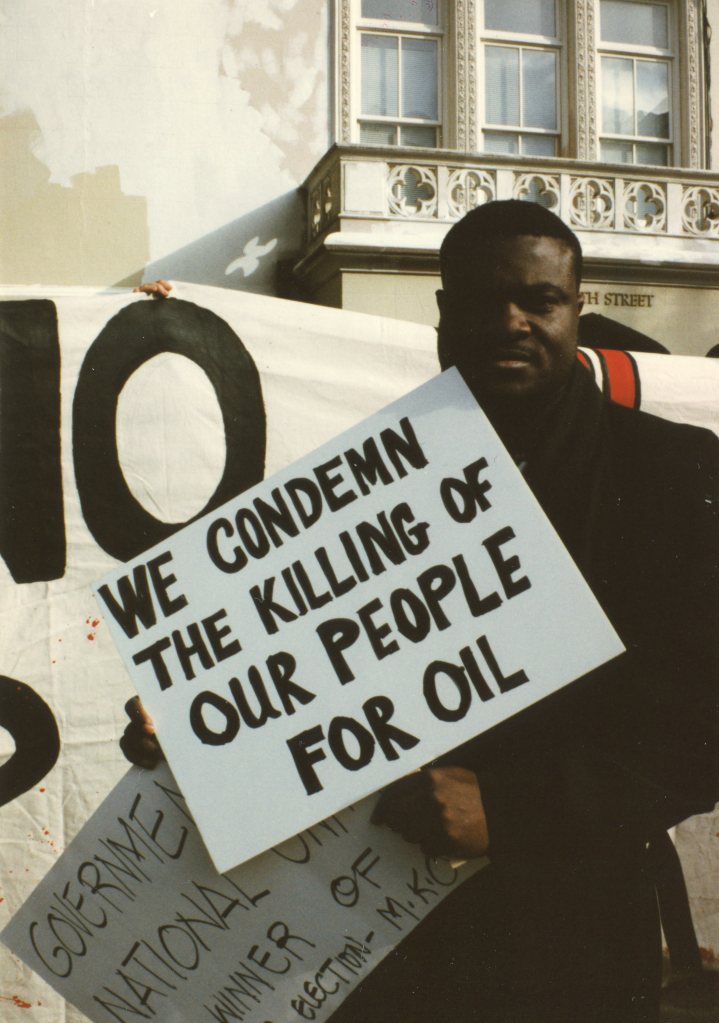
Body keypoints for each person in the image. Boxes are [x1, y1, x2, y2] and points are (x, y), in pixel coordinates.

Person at [123, 201, 718, 1023]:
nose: (509, 322)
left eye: (538, 301)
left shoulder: (675, 475)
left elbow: (699, 733)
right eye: (480, 301)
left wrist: (510, 809)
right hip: (366, 939)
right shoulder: (353, 487)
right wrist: (198, 723)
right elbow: (301, 684)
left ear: (576, 309)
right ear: (441, 315)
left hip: (568, 937)